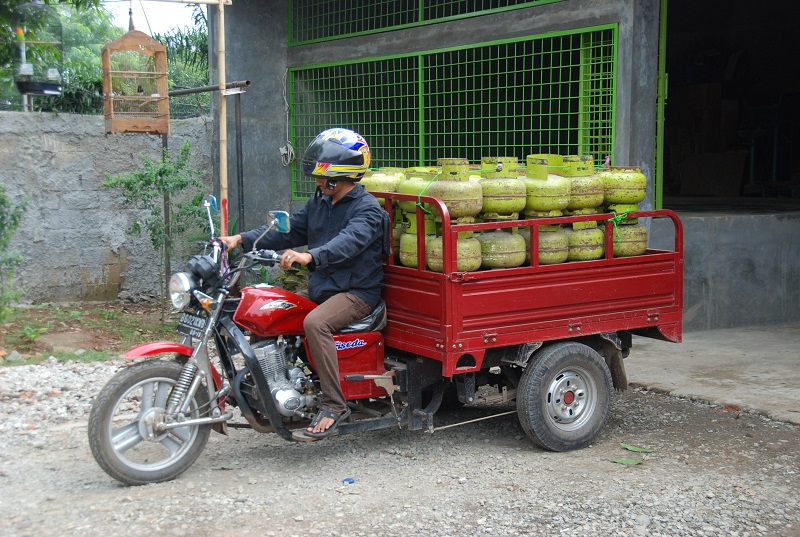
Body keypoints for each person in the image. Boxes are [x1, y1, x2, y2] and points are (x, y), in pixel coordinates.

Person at [219, 128, 386, 440]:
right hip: (325, 286)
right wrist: (240, 239)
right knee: (268, 312)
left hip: (356, 293)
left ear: (338, 174)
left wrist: (311, 257)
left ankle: (335, 405)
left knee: (315, 323)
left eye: (320, 176)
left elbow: (349, 242)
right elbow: (290, 230)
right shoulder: (321, 201)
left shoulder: (367, 209)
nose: (317, 182)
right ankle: (266, 384)